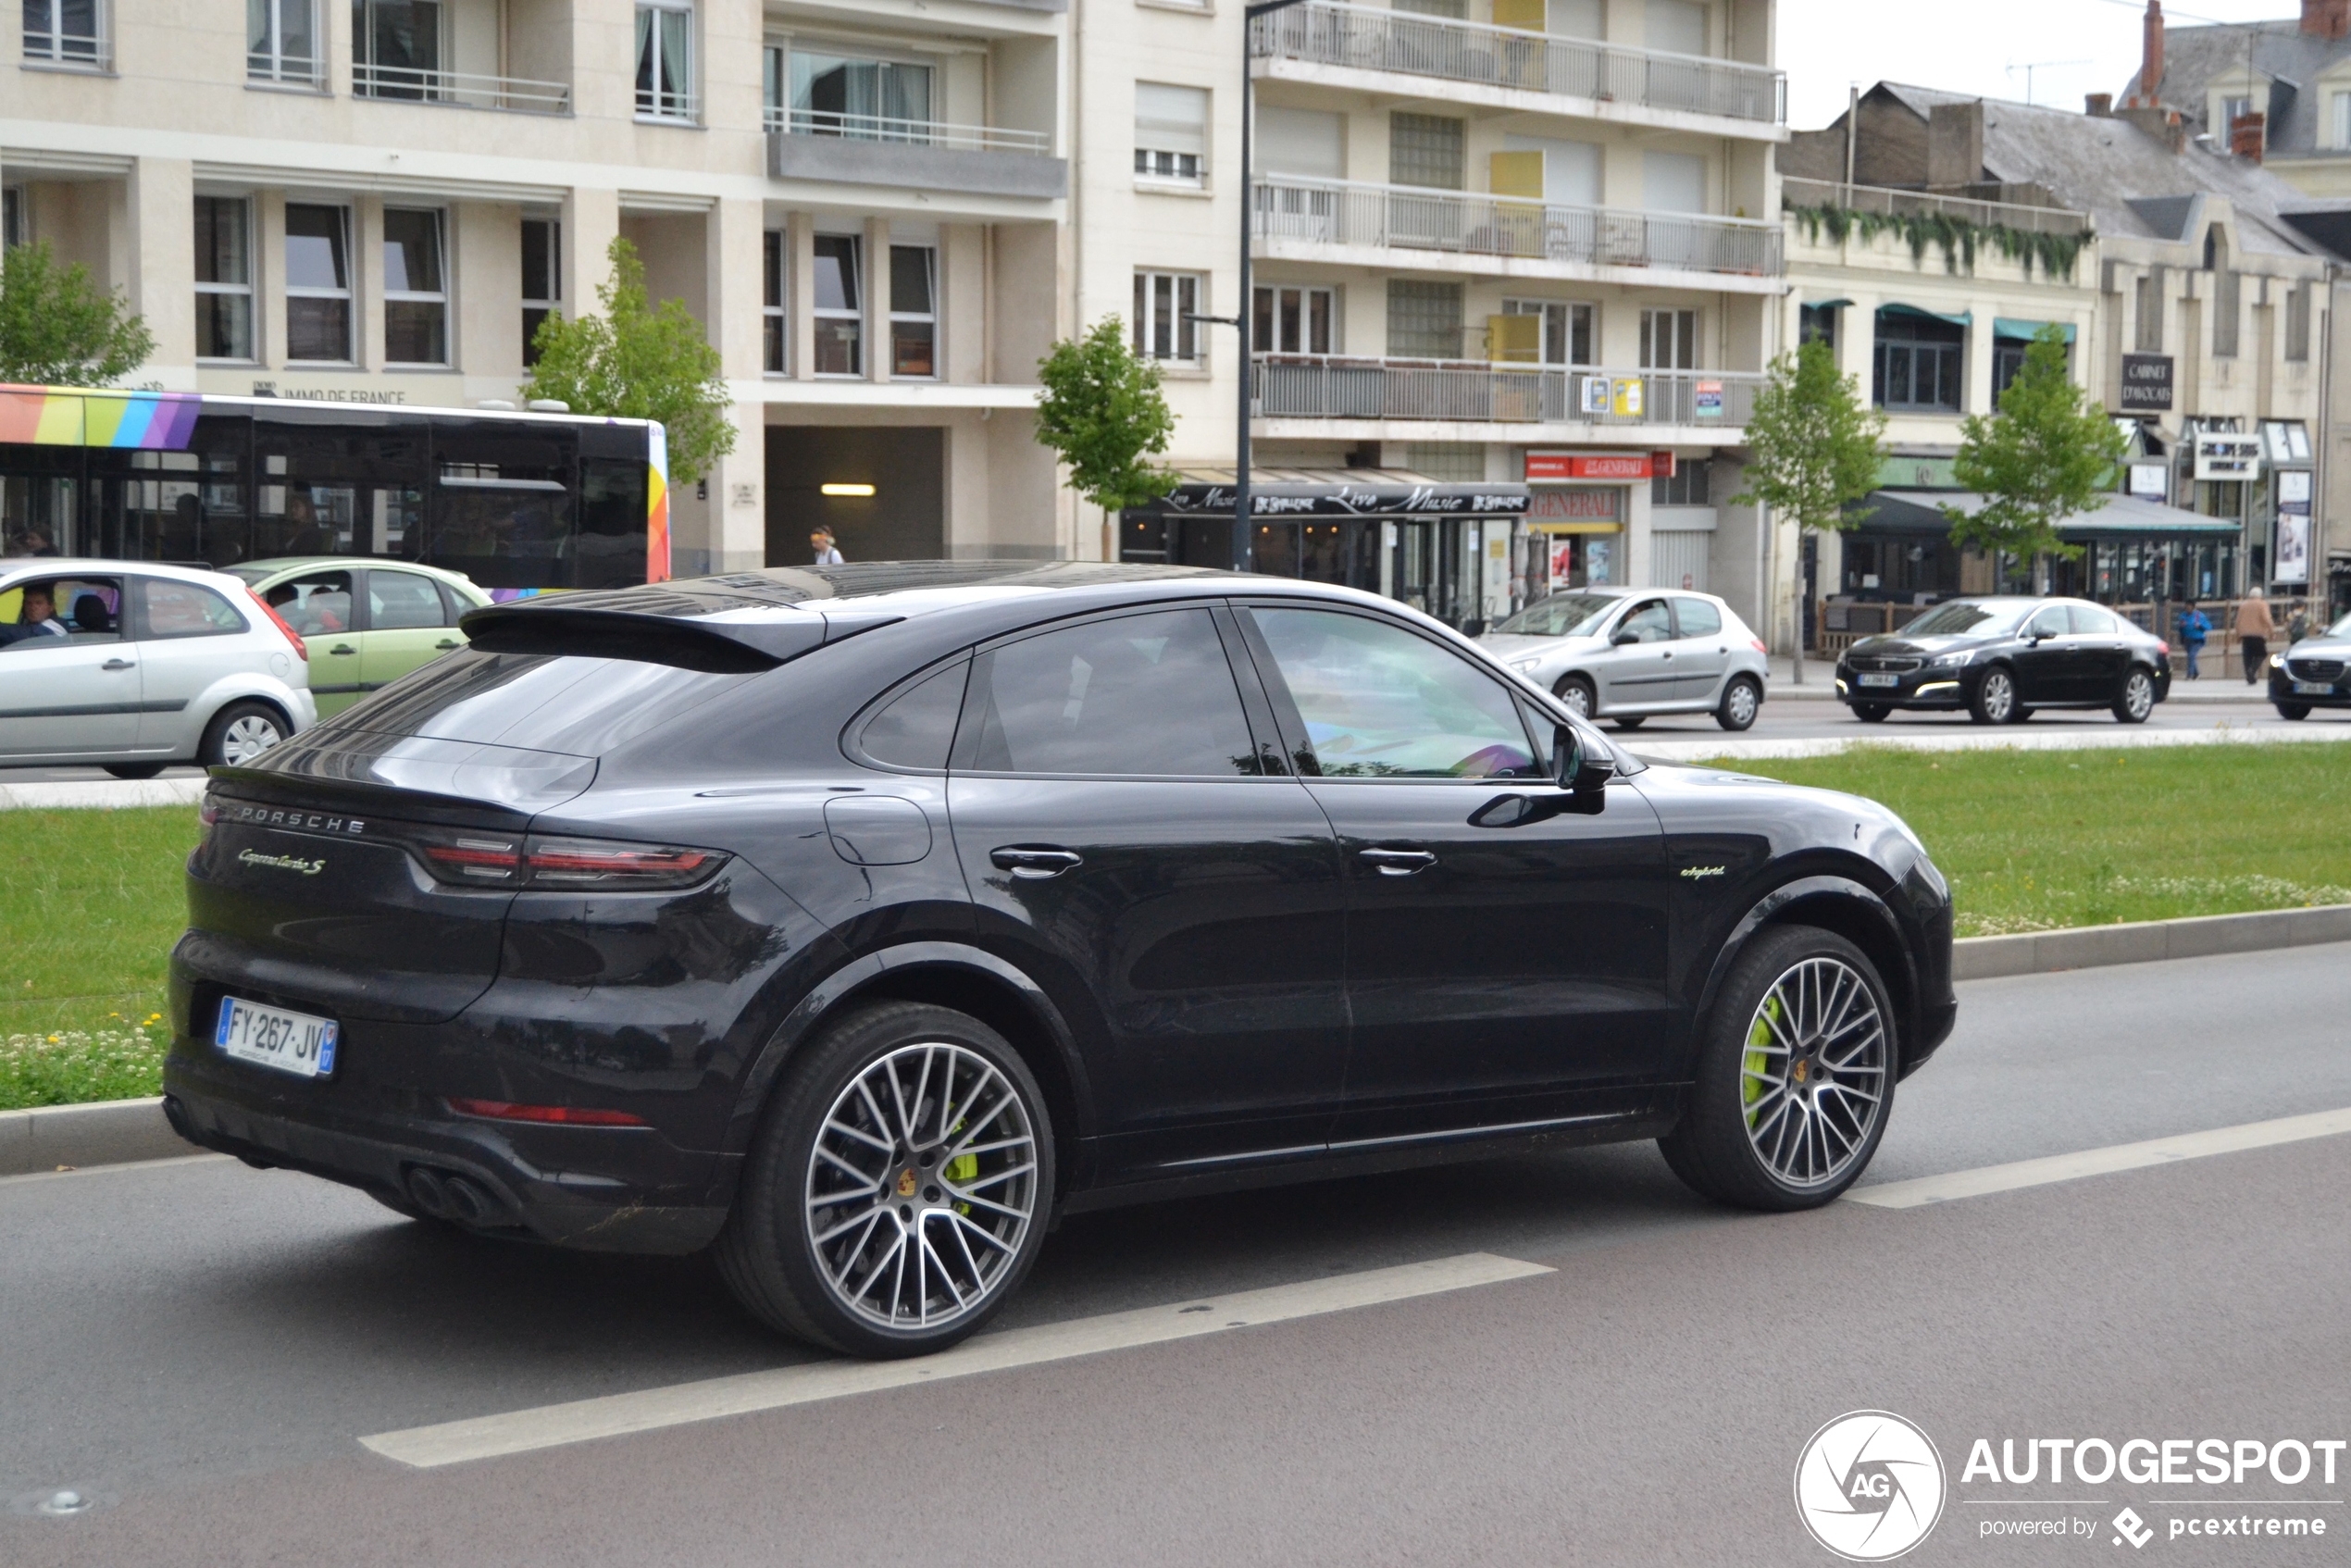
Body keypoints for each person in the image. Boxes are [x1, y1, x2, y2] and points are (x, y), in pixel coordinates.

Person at [0, 586, 69, 649]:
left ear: (51, 607)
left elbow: (29, 635)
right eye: (29, 603)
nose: (33, 608)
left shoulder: (58, 626)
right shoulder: (29, 624)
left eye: (38, 603)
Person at [2233, 587, 2274, 686]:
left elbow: (2237, 621)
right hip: (2258, 634)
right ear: (2260, 595)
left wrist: (2238, 634)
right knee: (2261, 654)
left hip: (2245, 634)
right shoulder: (2262, 604)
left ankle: (2249, 675)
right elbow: (2266, 618)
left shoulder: (2243, 605)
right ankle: (2252, 670)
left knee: (2247, 656)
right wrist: (2271, 631)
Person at [2178, 599, 2210, 681]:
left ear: (2193, 607)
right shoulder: (2183, 616)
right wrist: (2182, 626)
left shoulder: (2200, 616)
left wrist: (2199, 626)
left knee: (2191, 655)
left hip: (2197, 640)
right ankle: (2196, 673)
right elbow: (2180, 628)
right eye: (2186, 607)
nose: (2188, 609)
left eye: (2189, 607)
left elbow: (2208, 627)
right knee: (2191, 657)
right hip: (2187, 639)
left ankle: (2189, 675)